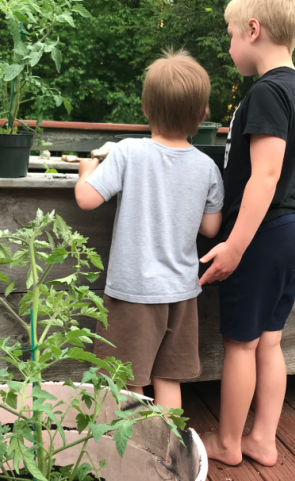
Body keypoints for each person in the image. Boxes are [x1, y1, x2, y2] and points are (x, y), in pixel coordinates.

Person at [198, 0, 295, 466]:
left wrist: (235, 245)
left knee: (241, 346)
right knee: (269, 341)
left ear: (252, 29)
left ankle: (228, 445)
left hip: (265, 236)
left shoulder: (267, 92)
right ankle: (262, 439)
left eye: (229, 34)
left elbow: (264, 177)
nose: (228, 45)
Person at [75, 49, 224, 409]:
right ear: (202, 114)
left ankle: (134, 453)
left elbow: (87, 200)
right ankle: (170, 452)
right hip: (181, 292)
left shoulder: (128, 152)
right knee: (167, 377)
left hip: (133, 292)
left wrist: (86, 172)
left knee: (127, 381)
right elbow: (210, 227)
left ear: (145, 108)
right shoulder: (206, 167)